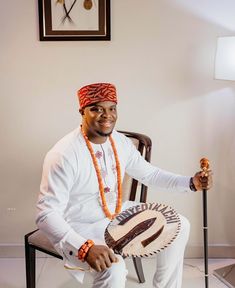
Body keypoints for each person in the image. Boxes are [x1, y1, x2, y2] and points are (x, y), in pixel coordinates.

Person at [36, 83, 212, 288]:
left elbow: (150, 174)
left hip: (117, 213)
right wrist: (84, 247)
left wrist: (191, 183)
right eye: (96, 108)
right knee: (114, 267)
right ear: (82, 112)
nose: (107, 115)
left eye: (112, 108)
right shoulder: (63, 154)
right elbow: (46, 214)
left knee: (180, 224)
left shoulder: (119, 141)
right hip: (80, 223)